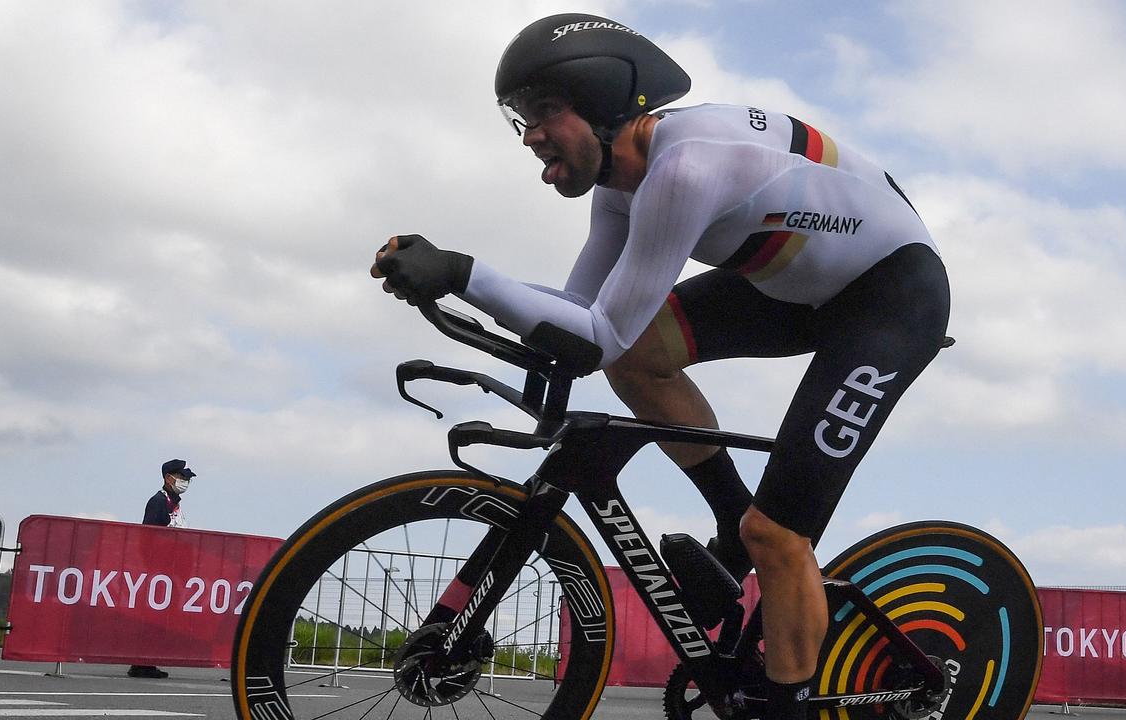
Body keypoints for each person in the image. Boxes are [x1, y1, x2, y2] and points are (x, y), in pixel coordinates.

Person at [371, 13, 949, 719]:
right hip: (794, 286)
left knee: (780, 534)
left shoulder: (686, 167)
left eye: (545, 112)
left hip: (890, 296)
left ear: (604, 101)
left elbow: (598, 334)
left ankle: (783, 694)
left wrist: (463, 272)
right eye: (521, 119)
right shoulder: (623, 186)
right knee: (642, 360)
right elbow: (581, 313)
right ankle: (733, 517)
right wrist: (455, 281)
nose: (529, 136)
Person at [128, 458, 196, 679]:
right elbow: (148, 537)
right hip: (158, 569)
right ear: (169, 478)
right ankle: (142, 662)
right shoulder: (158, 502)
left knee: (161, 618)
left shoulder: (175, 504)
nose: (185, 482)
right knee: (152, 617)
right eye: (182, 477)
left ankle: (149, 660)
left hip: (171, 570)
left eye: (186, 479)